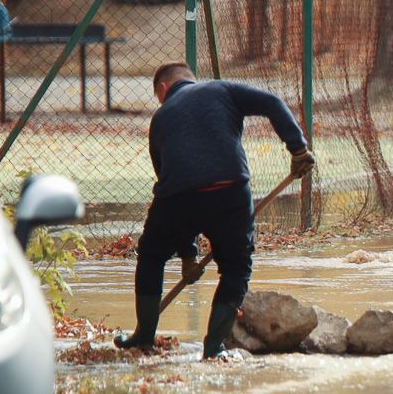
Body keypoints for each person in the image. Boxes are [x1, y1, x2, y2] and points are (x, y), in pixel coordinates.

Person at [114, 62, 315, 359]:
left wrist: (187, 255)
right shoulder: (222, 89)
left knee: (151, 257)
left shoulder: (160, 118)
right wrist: (297, 149)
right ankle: (214, 349)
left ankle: (144, 337)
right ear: (191, 80)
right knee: (236, 266)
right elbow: (273, 102)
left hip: (177, 199)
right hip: (229, 190)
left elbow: (170, 180)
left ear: (163, 89)